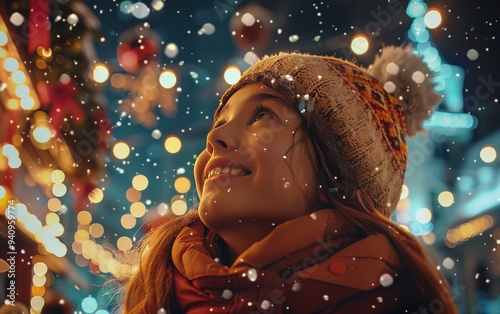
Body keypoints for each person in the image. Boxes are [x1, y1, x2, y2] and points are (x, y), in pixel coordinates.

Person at [119, 46, 458, 313]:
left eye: (263, 114)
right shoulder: (155, 299)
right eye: (219, 121)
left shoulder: (402, 303)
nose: (215, 136)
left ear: (335, 172)